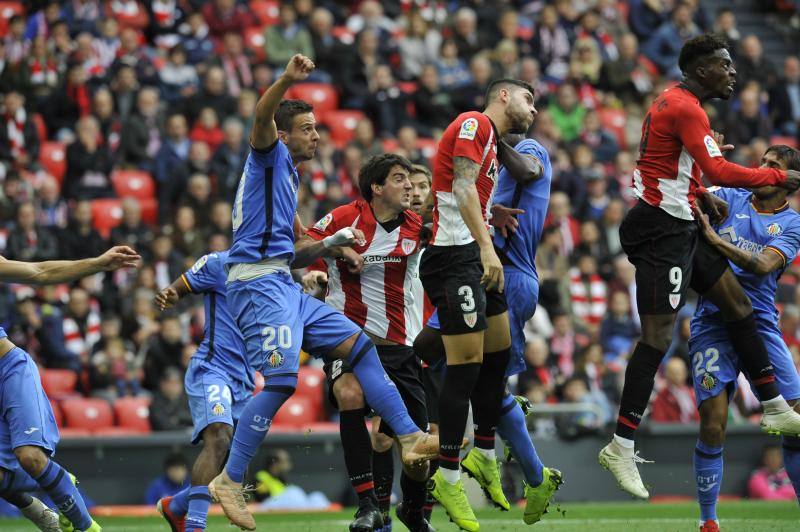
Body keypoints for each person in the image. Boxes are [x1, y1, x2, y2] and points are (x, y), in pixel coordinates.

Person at [208, 55, 438, 531]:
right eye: (308, 128)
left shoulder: (289, 175)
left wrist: (325, 251)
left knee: (359, 347)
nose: (317, 135)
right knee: (281, 384)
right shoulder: (268, 155)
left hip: (279, 282)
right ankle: (230, 480)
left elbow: (291, 249)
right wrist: (288, 81)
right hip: (256, 285)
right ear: (284, 133)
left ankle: (413, 438)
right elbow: (259, 117)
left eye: (316, 127)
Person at [599, 34, 800, 501]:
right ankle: (621, 444)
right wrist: (778, 176)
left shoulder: (676, 102)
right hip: (661, 230)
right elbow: (722, 174)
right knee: (656, 338)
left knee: (736, 301)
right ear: (701, 68)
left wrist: (695, 188)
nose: (732, 73)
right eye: (724, 65)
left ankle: (772, 405)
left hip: (681, 220)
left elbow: (673, 167)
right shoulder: (687, 107)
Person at [415, 134, 562, 527]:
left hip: (505, 275)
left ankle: (531, 474)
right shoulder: (484, 167)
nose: (528, 112)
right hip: (474, 269)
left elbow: (528, 170)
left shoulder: (526, 149)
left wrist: (496, 140)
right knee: (429, 353)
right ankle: (502, 451)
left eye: (529, 104)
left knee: (472, 375)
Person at [299, 154, 432, 531]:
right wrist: (335, 249)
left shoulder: (417, 227)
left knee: (417, 452)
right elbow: (300, 246)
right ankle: (367, 506)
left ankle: (414, 512)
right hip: (347, 337)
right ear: (376, 187)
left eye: (410, 180)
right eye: (399, 179)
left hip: (401, 343)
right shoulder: (346, 217)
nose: (408, 186)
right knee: (351, 395)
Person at [688, 145, 800, 530]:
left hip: (761, 325)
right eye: (763, 162)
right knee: (713, 420)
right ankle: (709, 522)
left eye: (774, 166)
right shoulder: (730, 195)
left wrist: (716, 243)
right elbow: (690, 198)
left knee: (797, 421)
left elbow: (763, 264)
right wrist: (698, 159)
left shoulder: (792, 225)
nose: (763, 168)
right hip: (713, 323)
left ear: (788, 181)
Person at [0, 245, 140, 532]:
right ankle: (48, 496)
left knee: (30, 456)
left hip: (8, 369)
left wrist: (97, 263)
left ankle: (85, 526)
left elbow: (39, 271)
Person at [154, 248, 253, 532]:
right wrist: (169, 294)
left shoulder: (276, 274)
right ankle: (196, 527)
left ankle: (176, 507)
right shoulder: (218, 263)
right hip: (213, 368)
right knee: (219, 438)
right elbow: (178, 288)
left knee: (233, 471)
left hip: (245, 380)